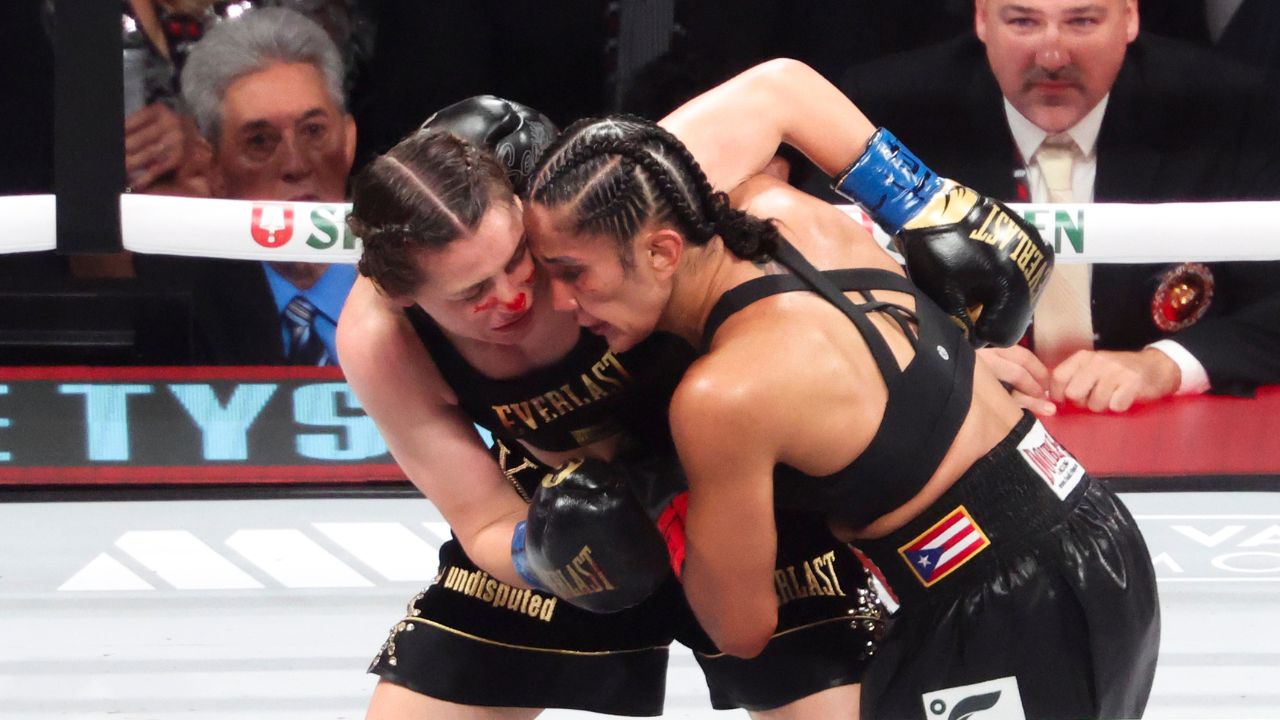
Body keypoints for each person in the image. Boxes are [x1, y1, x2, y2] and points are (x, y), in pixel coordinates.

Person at [339, 60, 1047, 718]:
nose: (515, 294)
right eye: (472, 294)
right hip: (568, 505)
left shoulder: (601, 200)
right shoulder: (383, 343)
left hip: (743, 481)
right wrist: (546, 554)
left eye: (520, 258)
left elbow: (781, 91)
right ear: (406, 296)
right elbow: (482, 519)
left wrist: (920, 212)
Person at [519, 109, 1160, 718]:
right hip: (1094, 527)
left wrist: (654, 513)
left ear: (661, 252)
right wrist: (920, 196)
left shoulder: (721, 398)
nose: (561, 301)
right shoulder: (784, 212)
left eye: (572, 272)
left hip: (998, 603)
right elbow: (779, 84)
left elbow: (738, 629)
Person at [820, 0, 1280, 414]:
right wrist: (941, 358)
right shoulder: (889, 108)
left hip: (1170, 438)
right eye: (1023, 21)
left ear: (1130, 17)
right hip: (955, 439)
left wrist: (1164, 366)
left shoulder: (1223, 104)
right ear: (982, 19)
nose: (1052, 57)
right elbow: (813, 286)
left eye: (1081, 21)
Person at [139, 6, 359, 365]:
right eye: (260, 141)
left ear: (348, 140)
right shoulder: (181, 309)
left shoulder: (420, 291)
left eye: (314, 131)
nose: (295, 164)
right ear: (213, 167)